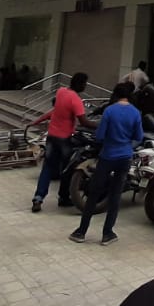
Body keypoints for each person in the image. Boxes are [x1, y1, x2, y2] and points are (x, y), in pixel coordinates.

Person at [70, 81, 144, 245]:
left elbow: (100, 136)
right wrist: (127, 145)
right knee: (115, 195)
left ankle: (81, 232)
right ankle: (108, 234)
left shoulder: (110, 111)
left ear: (116, 94)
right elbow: (138, 137)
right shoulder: (135, 112)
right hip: (125, 158)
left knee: (94, 193)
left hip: (108, 156)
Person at [28, 72, 98, 212]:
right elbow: (84, 121)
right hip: (64, 139)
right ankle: (63, 198)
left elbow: (55, 112)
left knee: (47, 168)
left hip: (52, 136)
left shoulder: (61, 91)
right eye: (84, 84)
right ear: (80, 84)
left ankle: (38, 198)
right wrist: (101, 125)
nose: (85, 86)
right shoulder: (76, 100)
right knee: (67, 169)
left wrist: (36, 121)